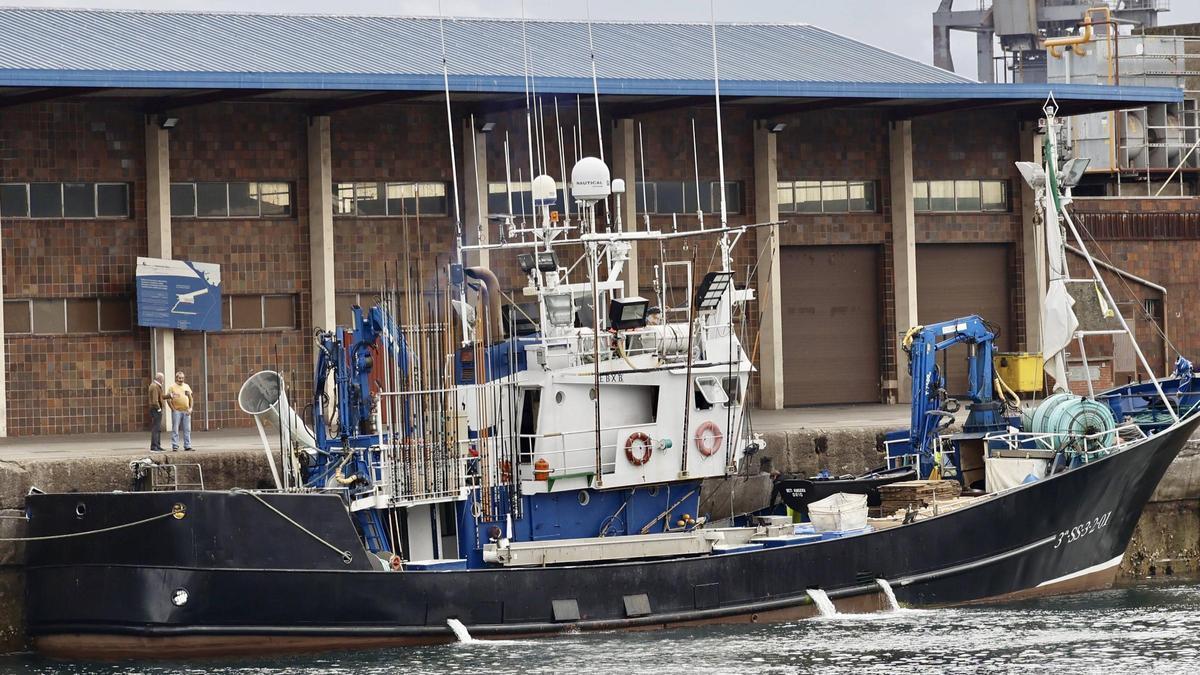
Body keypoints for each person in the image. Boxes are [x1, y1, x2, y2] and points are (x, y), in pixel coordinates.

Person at [166, 370, 194, 452]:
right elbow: (168, 399)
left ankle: (187, 445)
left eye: (182, 378)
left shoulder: (186, 386)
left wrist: (190, 408)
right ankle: (175, 445)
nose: (181, 379)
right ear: (176, 378)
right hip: (177, 411)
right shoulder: (172, 387)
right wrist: (173, 409)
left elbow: (191, 398)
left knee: (187, 429)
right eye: (179, 378)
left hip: (186, 410)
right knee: (175, 429)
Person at [147, 372, 166, 452]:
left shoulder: (156, 386)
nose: (163, 380)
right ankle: (154, 446)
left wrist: (170, 395)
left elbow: (160, 397)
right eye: (163, 378)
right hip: (155, 409)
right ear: (160, 379)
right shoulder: (155, 386)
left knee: (158, 428)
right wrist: (159, 409)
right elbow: (155, 401)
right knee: (156, 428)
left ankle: (157, 445)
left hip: (155, 409)